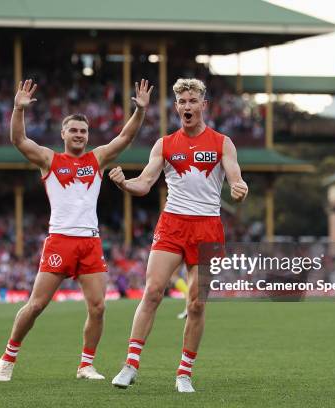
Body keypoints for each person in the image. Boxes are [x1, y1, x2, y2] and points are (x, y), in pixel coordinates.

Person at [0, 78, 154, 382]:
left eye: (84, 131)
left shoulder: (97, 159)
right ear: (63, 134)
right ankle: (8, 356)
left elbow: (125, 138)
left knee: (98, 307)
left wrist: (141, 111)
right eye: (74, 130)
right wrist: (18, 109)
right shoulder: (49, 159)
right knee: (37, 304)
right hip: (60, 242)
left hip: (90, 243)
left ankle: (85, 365)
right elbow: (19, 140)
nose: (79, 135)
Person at [109, 78, 248, 392]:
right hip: (173, 224)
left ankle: (184, 373)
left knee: (197, 304)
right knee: (154, 291)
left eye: (192, 101)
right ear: (177, 107)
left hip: (208, 228)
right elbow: (144, 183)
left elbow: (237, 180)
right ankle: (130, 365)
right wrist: (123, 183)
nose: (187, 107)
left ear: (203, 105)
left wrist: (240, 190)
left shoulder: (222, 142)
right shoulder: (165, 144)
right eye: (182, 102)